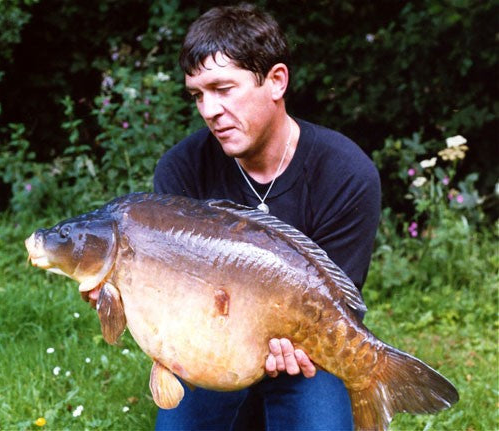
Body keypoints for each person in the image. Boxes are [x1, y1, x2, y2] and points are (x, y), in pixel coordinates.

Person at [153, 4, 381, 430]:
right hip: (211, 347)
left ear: (276, 81)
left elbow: (337, 305)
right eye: (198, 94)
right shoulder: (180, 169)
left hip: (304, 354)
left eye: (223, 89)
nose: (209, 110)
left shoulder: (347, 173)